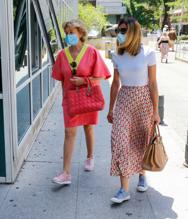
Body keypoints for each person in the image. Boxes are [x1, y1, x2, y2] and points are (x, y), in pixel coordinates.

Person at [107, 17, 160, 204]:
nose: (119, 34)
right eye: (119, 30)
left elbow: (153, 84)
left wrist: (156, 111)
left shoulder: (149, 53)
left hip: (143, 100)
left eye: (123, 30)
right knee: (120, 142)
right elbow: (115, 83)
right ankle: (124, 189)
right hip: (124, 100)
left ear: (133, 32)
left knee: (141, 141)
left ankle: (142, 174)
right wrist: (110, 108)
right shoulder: (116, 54)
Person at [52, 19, 111, 185]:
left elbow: (101, 77)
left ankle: (90, 157)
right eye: (67, 33)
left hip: (87, 96)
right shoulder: (62, 55)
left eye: (72, 32)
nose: (69, 36)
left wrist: (84, 81)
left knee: (88, 127)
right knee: (69, 133)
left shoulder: (91, 52)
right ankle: (66, 173)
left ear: (81, 33)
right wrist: (65, 97)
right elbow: (60, 78)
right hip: (69, 100)